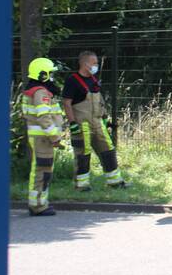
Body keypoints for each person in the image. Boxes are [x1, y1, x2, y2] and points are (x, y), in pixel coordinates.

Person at [61, 50, 126, 190]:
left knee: (108, 150)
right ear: (85, 64)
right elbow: (67, 102)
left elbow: (99, 102)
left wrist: (104, 119)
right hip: (81, 125)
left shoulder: (94, 80)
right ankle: (82, 185)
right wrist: (72, 123)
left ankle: (115, 182)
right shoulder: (72, 81)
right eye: (94, 63)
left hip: (97, 123)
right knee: (83, 154)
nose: (97, 65)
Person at [21, 58, 65, 216]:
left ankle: (39, 203)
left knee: (41, 170)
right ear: (43, 75)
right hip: (43, 138)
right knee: (42, 171)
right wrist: (55, 137)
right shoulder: (41, 92)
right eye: (50, 73)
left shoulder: (34, 90)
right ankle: (38, 206)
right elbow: (44, 116)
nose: (52, 76)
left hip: (40, 138)